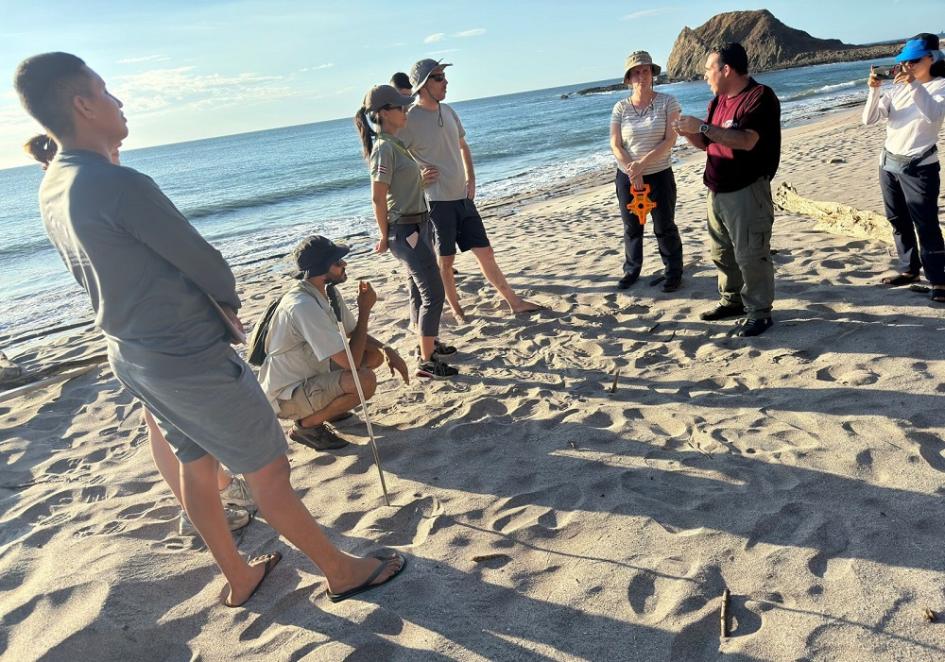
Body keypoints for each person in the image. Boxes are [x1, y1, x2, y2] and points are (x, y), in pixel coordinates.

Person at [14, 52, 404, 607]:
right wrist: (226, 308)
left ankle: (239, 576)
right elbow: (208, 264)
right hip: (187, 354)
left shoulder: (53, 183)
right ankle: (340, 571)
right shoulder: (115, 183)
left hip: (132, 352)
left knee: (195, 467)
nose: (117, 101)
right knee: (269, 471)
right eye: (105, 91)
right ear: (81, 103)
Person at [22, 132, 255, 534]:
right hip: (162, 333)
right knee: (182, 424)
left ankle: (212, 495)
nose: (118, 148)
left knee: (164, 423)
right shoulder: (110, 186)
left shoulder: (58, 193)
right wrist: (225, 304)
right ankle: (203, 506)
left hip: (125, 335)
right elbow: (188, 256)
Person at [399, 59, 543, 322]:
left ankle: (514, 302)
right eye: (439, 78)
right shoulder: (410, 120)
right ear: (423, 84)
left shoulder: (450, 111)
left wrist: (472, 180)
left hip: (463, 199)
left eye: (444, 77)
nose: (446, 82)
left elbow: (464, 146)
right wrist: (417, 179)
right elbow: (395, 160)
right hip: (437, 203)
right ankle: (456, 309)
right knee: (447, 261)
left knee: (485, 252)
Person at [259, 234, 410, 448]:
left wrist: (387, 350)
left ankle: (330, 409)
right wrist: (365, 310)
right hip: (287, 394)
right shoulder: (302, 305)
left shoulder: (326, 292)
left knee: (374, 355)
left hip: (311, 374)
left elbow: (353, 333)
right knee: (364, 380)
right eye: (338, 262)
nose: (344, 264)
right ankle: (307, 425)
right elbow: (352, 363)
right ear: (321, 270)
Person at [675, 42, 781, 337]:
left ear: (726, 69)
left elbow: (747, 140)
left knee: (751, 254)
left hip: (748, 190)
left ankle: (760, 312)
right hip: (716, 189)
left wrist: (703, 128)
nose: (705, 76)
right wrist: (688, 133)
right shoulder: (717, 102)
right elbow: (708, 144)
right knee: (721, 252)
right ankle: (732, 301)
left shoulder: (760, 97)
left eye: (709, 69)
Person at [354, 84, 459, 378]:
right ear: (384, 114)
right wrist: (384, 235)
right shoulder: (384, 149)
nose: (405, 111)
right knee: (433, 292)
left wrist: (421, 185)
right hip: (405, 229)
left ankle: (428, 346)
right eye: (400, 107)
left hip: (419, 223)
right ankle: (426, 362)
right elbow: (377, 196)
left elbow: (400, 189)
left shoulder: (397, 144)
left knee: (421, 288)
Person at [863, 33, 945, 303]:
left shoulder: (940, 86)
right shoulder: (897, 87)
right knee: (897, 220)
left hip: (920, 165)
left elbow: (933, 114)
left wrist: (913, 84)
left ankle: (939, 281)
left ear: (931, 58)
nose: (907, 66)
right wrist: (874, 90)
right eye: (904, 61)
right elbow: (869, 119)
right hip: (888, 163)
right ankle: (910, 269)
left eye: (913, 60)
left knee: (926, 225)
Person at [609, 51, 684, 292]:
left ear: (652, 74)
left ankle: (673, 272)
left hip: (660, 173)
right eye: (636, 72)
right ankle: (632, 270)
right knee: (632, 226)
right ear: (629, 78)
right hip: (627, 176)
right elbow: (616, 144)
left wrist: (642, 164)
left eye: (646, 70)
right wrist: (633, 169)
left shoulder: (668, 101)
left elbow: (670, 140)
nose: (641, 75)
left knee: (664, 225)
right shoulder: (620, 108)